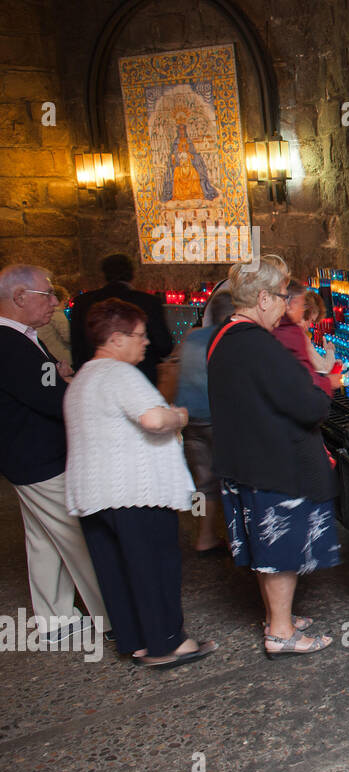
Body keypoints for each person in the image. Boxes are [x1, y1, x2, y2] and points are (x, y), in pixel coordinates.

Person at [64, 298, 216, 668]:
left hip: (93, 494)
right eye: (139, 335)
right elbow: (151, 420)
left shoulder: (83, 377)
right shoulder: (118, 373)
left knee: (116, 570)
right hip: (133, 492)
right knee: (154, 565)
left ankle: (136, 641)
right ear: (115, 339)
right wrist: (177, 415)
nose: (146, 343)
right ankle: (168, 643)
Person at [207, 254, 338, 657]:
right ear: (263, 298)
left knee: (267, 551)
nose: (285, 304)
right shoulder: (259, 346)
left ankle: (276, 617)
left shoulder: (224, 335)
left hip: (246, 460)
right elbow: (307, 405)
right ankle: (281, 633)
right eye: (282, 296)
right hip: (275, 465)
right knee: (281, 551)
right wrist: (323, 387)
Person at [0, 264, 108, 645]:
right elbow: (48, 395)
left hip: (27, 455)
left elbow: (49, 379)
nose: (54, 302)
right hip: (38, 456)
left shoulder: (26, 336)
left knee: (43, 540)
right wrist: (72, 387)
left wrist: (61, 378)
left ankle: (54, 619)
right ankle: (113, 617)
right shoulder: (9, 342)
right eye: (47, 295)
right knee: (79, 535)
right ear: (19, 298)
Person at [175, 289, 235, 553]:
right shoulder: (230, 340)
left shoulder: (191, 337)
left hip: (190, 419)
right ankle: (237, 537)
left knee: (201, 483)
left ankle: (204, 535)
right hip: (218, 419)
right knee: (232, 481)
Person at [69, 253, 174, 382]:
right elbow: (164, 346)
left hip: (95, 379)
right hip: (140, 377)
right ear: (132, 273)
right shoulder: (148, 302)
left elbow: (77, 349)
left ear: (104, 274)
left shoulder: (82, 302)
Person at [272, 281, 338, 396]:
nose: (309, 326)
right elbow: (324, 369)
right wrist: (330, 353)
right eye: (310, 320)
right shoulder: (296, 335)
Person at [36, 282, 73, 366]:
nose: (65, 307)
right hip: (63, 359)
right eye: (65, 303)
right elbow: (69, 336)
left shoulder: (38, 314)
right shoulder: (56, 313)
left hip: (47, 359)